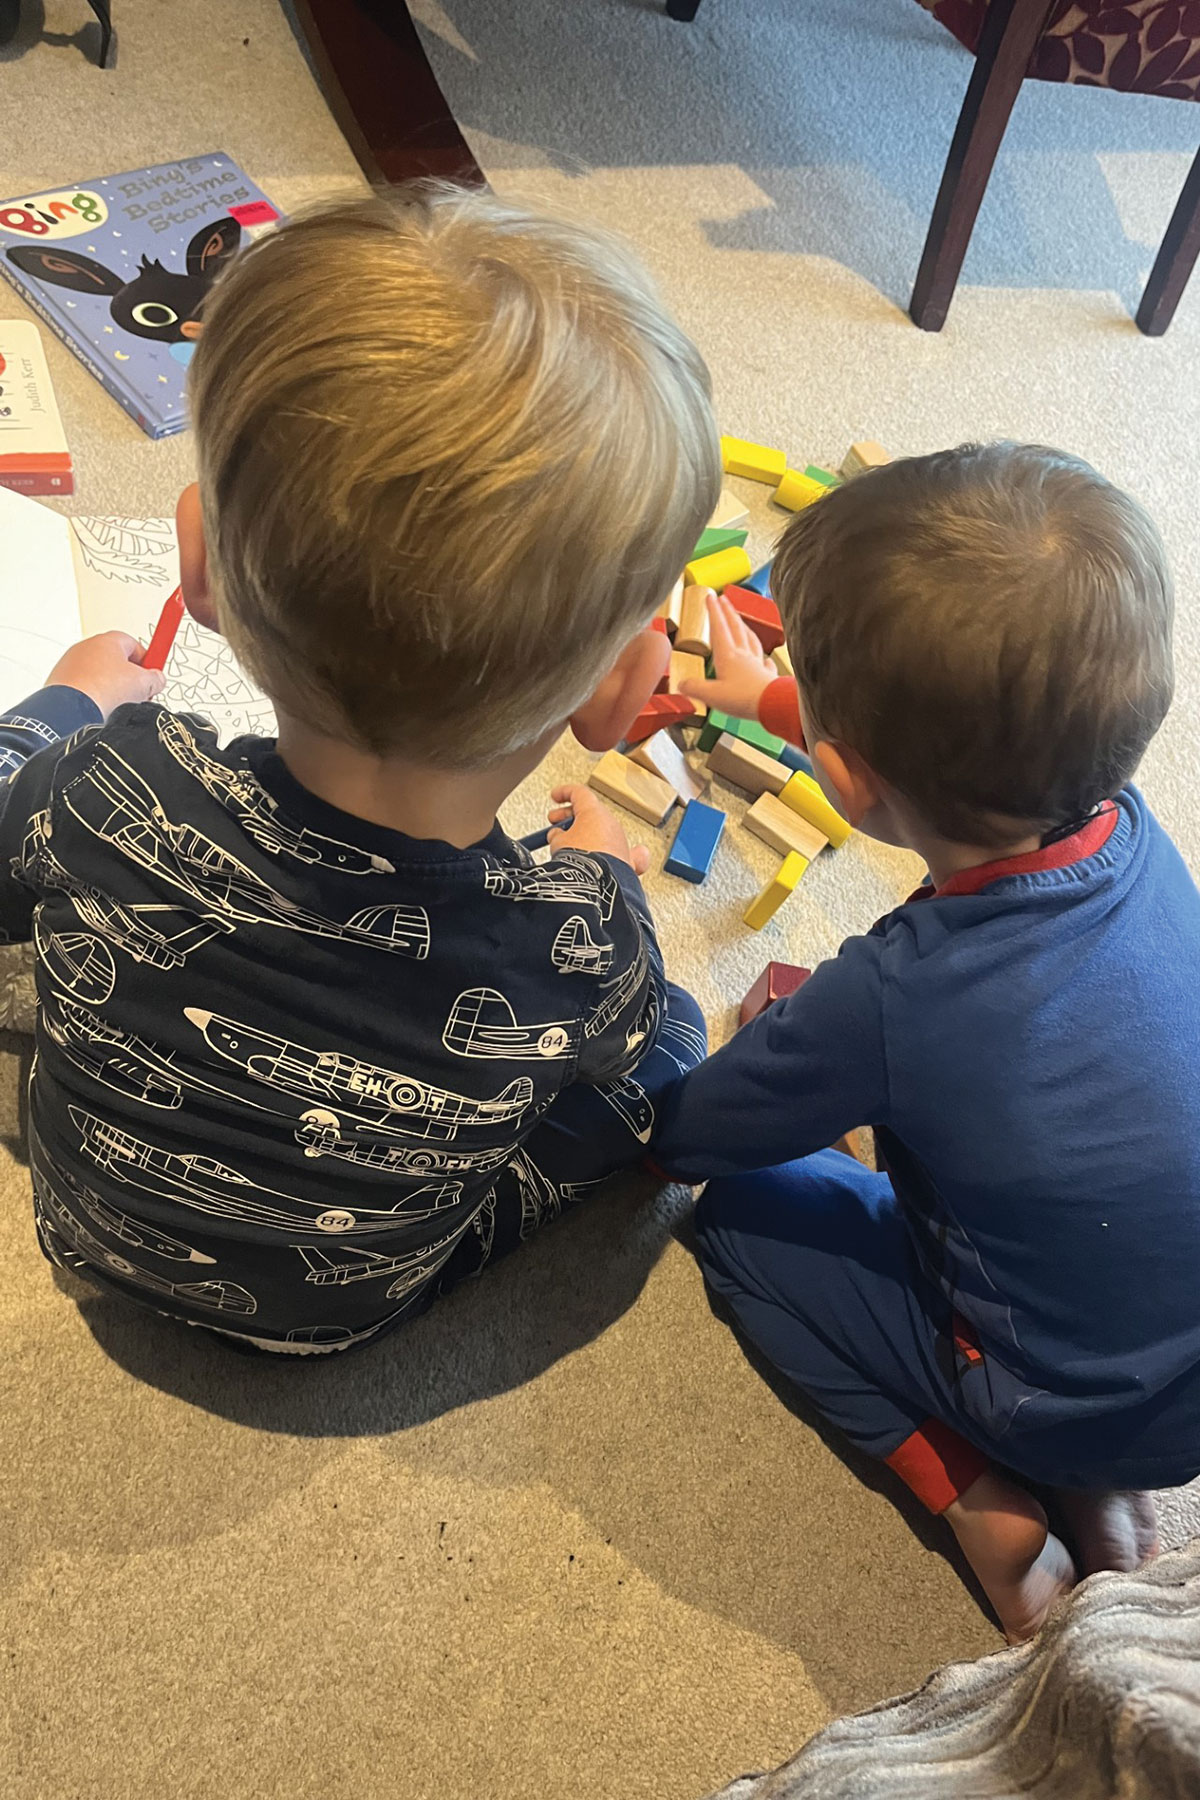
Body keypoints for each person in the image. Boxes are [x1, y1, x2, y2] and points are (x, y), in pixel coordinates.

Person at [5, 185, 717, 1354]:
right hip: (340, 1314)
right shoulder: (575, 943)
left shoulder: (106, 785)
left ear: (202, 572)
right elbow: (653, 1062)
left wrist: (66, 700)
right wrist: (614, 886)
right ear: (620, 694)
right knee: (670, 1049)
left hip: (86, 1231)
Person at [656, 442, 1196, 1642]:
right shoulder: (1131, 824)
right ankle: (1107, 1492)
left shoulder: (896, 991)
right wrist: (754, 697)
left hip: (1042, 1390)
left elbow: (691, 1133)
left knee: (746, 1221)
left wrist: (764, 1066)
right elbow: (937, 742)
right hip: (1180, 1382)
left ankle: (990, 1513)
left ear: (844, 779)